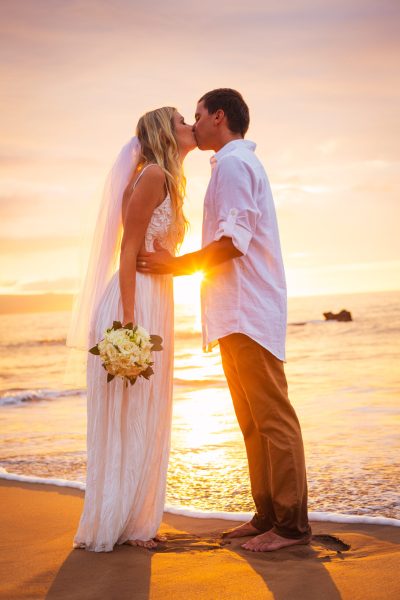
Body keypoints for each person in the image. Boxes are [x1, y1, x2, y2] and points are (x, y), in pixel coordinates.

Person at [137, 89, 312, 552]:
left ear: (219, 116)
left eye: (197, 116)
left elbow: (233, 242)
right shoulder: (228, 166)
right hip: (233, 311)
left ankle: (292, 527)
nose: (193, 124)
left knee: (273, 419)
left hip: (248, 309)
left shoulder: (235, 164)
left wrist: (174, 266)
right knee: (253, 422)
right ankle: (266, 515)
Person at [66, 107, 196, 552]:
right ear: (165, 132)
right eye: (181, 120)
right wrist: (127, 325)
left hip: (154, 296)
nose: (188, 127)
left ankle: (133, 519)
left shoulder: (162, 177)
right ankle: (122, 522)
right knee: (130, 412)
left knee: (143, 410)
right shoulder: (155, 173)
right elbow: (129, 251)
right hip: (136, 300)